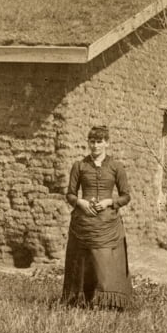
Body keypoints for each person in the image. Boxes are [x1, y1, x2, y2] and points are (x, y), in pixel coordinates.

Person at [61, 125, 133, 309]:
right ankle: (81, 300)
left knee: (104, 263)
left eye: (99, 142)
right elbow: (70, 194)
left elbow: (126, 196)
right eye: (92, 141)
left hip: (107, 222)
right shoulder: (79, 166)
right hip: (84, 221)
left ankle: (107, 303)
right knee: (84, 262)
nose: (95, 146)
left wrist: (110, 202)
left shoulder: (116, 167)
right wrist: (81, 203)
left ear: (107, 143)